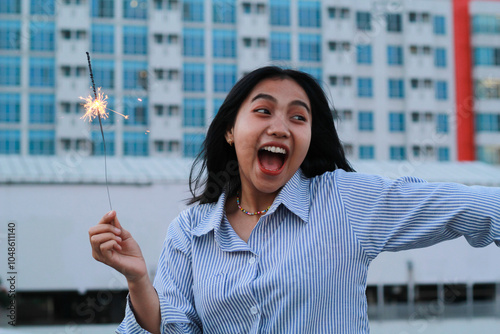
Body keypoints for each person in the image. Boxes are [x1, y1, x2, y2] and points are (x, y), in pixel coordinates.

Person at [89, 66, 500, 333]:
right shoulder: (190, 231)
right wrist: (139, 280)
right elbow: (173, 327)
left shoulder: (342, 199)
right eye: (263, 111)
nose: (281, 127)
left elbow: (471, 207)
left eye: (298, 117)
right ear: (231, 130)